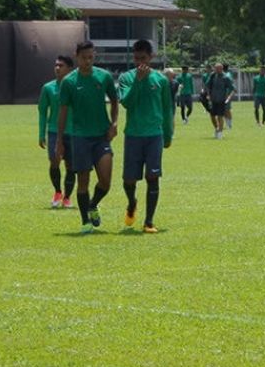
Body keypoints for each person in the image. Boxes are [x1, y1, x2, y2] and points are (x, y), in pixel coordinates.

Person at [57, 41, 119, 234]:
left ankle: (93, 205)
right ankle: (85, 221)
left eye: (91, 57)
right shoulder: (69, 82)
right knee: (83, 181)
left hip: (101, 136)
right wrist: (59, 141)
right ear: (77, 56)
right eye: (84, 58)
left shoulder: (104, 77)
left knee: (106, 181)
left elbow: (115, 101)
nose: (88, 61)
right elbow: (63, 113)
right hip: (80, 137)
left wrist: (114, 123)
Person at [117, 40, 174, 233]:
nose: (139, 62)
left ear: (151, 57)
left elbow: (167, 110)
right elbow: (126, 103)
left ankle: (149, 221)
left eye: (143, 58)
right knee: (129, 180)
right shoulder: (126, 78)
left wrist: (168, 133)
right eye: (136, 58)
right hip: (133, 135)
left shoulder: (161, 80)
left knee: (153, 176)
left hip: (154, 135)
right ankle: (132, 202)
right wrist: (138, 83)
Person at [39, 56, 76, 209]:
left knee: (71, 166)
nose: (57, 68)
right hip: (54, 131)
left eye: (61, 65)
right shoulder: (48, 88)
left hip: (74, 132)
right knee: (54, 161)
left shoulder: (76, 87)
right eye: (56, 65)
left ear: (69, 69)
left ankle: (67, 197)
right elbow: (42, 111)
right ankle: (57, 192)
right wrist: (41, 134)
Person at [205, 63, 235, 139]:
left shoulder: (226, 78)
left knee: (220, 116)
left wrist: (228, 98)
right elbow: (207, 86)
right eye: (215, 69)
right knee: (212, 116)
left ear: (221, 69)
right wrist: (208, 95)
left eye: (218, 69)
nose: (216, 70)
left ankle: (220, 133)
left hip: (222, 100)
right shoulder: (212, 76)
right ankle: (217, 128)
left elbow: (233, 89)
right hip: (213, 99)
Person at [222, 64, 235, 129]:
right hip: (223, 94)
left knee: (227, 109)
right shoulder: (227, 74)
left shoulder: (227, 75)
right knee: (224, 110)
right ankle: (227, 123)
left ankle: (229, 124)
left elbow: (230, 86)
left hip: (227, 94)